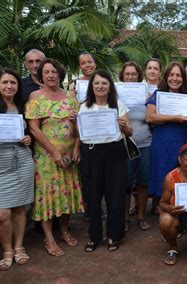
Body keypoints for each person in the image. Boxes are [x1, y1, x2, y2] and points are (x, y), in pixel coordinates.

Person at [26, 58, 83, 256]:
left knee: (66, 194)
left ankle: (65, 231)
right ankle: (49, 237)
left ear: (60, 74)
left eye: (54, 72)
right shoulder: (36, 97)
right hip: (47, 157)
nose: (51, 75)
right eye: (47, 72)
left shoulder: (70, 97)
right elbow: (34, 128)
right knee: (48, 197)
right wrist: (54, 152)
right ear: (41, 75)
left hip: (69, 156)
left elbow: (79, 125)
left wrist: (77, 147)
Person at [0, 68, 34, 270]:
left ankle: (19, 246)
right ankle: (7, 249)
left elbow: (30, 133)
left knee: (20, 208)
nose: (9, 86)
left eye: (13, 83)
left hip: (21, 161)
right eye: (5, 82)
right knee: (1, 214)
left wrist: (28, 139)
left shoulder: (23, 106)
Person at [79, 69, 133, 252]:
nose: (100, 86)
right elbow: (78, 135)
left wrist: (124, 126)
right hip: (92, 154)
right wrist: (73, 123)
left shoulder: (118, 105)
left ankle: (113, 236)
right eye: (96, 83)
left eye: (104, 83)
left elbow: (130, 132)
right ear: (91, 86)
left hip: (114, 153)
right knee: (93, 198)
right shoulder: (84, 106)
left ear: (110, 86)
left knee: (115, 196)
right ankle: (94, 237)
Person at [146, 62, 187, 215]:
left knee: (178, 171)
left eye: (178, 75)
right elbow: (150, 117)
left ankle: (176, 205)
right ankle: (160, 204)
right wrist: (174, 118)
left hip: (181, 141)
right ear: (166, 77)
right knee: (160, 170)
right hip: (161, 141)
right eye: (171, 75)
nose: (175, 78)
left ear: (183, 78)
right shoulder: (158, 95)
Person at [118, 61, 152, 232]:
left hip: (145, 143)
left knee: (143, 182)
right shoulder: (115, 96)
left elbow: (153, 118)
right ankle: (125, 218)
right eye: (127, 74)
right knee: (126, 182)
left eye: (134, 74)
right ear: (122, 77)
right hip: (125, 144)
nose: (130, 77)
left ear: (139, 76)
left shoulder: (147, 95)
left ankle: (140, 216)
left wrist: (148, 101)